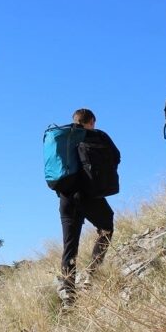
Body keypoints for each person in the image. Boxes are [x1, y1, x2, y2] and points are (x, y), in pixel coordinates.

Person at [57, 108, 118, 304]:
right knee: (107, 226)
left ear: (74, 121)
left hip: (66, 198)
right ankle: (92, 272)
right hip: (88, 195)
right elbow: (116, 156)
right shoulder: (96, 135)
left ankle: (68, 297)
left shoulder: (63, 139)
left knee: (69, 247)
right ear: (91, 120)